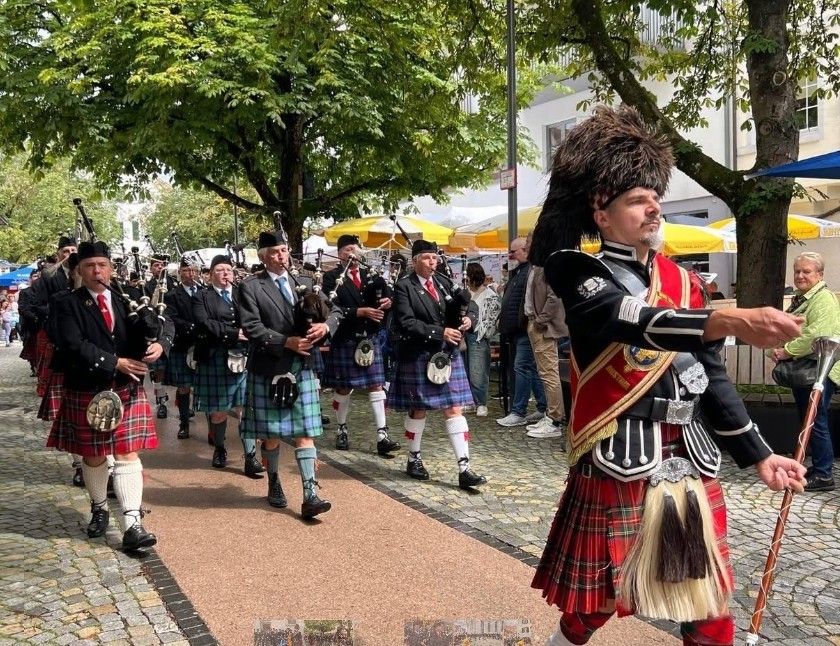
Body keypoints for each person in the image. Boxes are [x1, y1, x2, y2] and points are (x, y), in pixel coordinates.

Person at [526, 105, 807, 646]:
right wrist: (725, 318)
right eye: (637, 200)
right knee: (597, 603)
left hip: (692, 453)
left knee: (707, 601)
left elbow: (711, 379)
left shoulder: (684, 280)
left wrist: (759, 453)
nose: (653, 209)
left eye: (656, 199)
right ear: (601, 213)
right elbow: (627, 318)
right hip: (623, 453)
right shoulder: (576, 269)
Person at [46, 240, 174, 551]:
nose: (97, 271)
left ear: (111, 269)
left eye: (102, 265)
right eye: (90, 266)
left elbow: (166, 321)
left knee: (128, 453)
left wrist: (161, 345)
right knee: (94, 456)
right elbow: (73, 343)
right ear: (80, 270)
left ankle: (132, 524)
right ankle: (100, 507)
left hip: (125, 387)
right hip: (88, 387)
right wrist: (113, 361)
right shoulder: (67, 303)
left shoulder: (128, 298)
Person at [237, 230, 342, 519]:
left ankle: (310, 494)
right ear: (263, 257)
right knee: (270, 435)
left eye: (283, 250)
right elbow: (251, 328)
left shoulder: (305, 282)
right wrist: (286, 341)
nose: (280, 256)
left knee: (305, 432)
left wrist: (326, 327)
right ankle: (274, 482)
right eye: (274, 252)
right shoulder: (250, 287)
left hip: (303, 366)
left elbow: (336, 311)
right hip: (270, 366)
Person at [387, 239, 486, 489]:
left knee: (454, 408)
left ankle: (464, 468)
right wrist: (440, 332)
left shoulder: (442, 282)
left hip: (446, 355)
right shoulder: (403, 287)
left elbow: (470, 304)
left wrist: (469, 321)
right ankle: (414, 458)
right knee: (418, 409)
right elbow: (407, 322)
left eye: (435, 258)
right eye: (427, 258)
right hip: (418, 354)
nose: (433, 262)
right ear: (415, 261)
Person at [321, 234, 400, 456]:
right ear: (339, 254)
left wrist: (389, 301)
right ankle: (342, 428)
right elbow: (330, 307)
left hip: (370, 337)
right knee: (343, 388)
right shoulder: (331, 278)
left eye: (355, 249)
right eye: (347, 250)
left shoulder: (372, 275)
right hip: (346, 338)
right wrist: (359, 311)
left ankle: (382, 435)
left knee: (376, 385)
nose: (352, 253)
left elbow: (389, 297)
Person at [769, 251, 839, 492]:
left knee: (815, 420)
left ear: (819, 274)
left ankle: (823, 473)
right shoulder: (803, 298)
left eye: (806, 271)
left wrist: (786, 351)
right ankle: (813, 468)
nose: (800, 276)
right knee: (808, 420)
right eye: (797, 271)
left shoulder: (823, 299)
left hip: (820, 371)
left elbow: (817, 335)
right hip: (808, 369)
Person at [193, 255, 260, 475]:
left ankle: (250, 456)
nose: (225, 274)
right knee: (219, 411)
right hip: (216, 356)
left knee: (245, 409)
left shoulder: (242, 294)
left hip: (244, 356)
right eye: (220, 270)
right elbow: (204, 322)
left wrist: (249, 332)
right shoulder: (202, 296)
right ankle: (220, 449)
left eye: (229, 270)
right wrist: (234, 333)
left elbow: (255, 317)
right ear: (211, 274)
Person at [496, 237, 547, 427]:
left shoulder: (530, 271)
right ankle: (543, 408)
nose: (510, 255)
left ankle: (519, 411)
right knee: (530, 369)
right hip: (519, 328)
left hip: (525, 328)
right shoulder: (520, 272)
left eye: (513, 251)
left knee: (522, 367)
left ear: (525, 251)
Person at [523, 251, 568, 439]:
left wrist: (540, 321)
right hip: (537, 324)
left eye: (527, 244)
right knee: (546, 372)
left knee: (549, 373)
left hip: (543, 327)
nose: (525, 247)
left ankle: (555, 419)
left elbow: (555, 298)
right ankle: (551, 415)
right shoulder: (536, 268)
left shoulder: (545, 268)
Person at [162, 259, 200, 439]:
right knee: (184, 387)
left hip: (202, 346)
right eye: (186, 270)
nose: (191, 274)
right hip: (182, 345)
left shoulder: (204, 292)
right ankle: (184, 423)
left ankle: (213, 430)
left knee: (204, 387)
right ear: (180, 272)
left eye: (194, 270)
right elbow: (172, 319)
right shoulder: (172, 295)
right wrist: (193, 327)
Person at [464, 262, 501, 418]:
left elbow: (492, 319)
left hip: (478, 337)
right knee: (467, 371)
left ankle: (481, 403)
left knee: (478, 371)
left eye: (468, 278)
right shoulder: (467, 293)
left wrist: (484, 332)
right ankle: (471, 401)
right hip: (465, 336)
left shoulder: (490, 296)